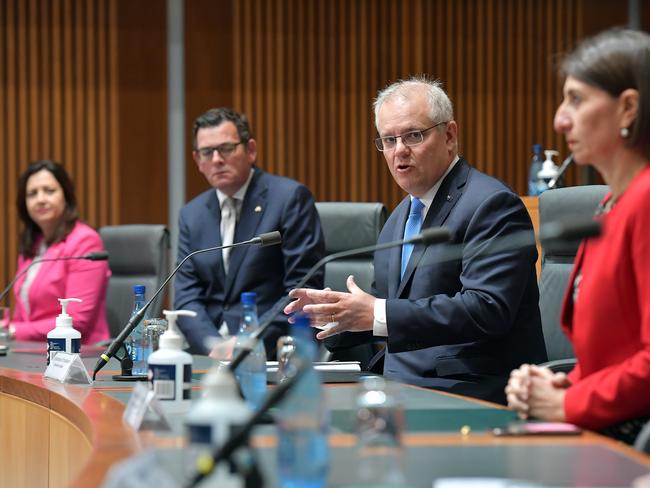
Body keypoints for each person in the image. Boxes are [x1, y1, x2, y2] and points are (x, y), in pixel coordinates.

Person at [285, 77, 547, 403]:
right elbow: (394, 312)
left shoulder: (491, 204)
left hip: (468, 391)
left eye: (413, 135)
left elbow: (487, 309)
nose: (399, 151)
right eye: (388, 140)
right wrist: (339, 317)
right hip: (396, 387)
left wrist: (378, 312)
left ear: (449, 136)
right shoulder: (399, 218)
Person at [506, 28, 650, 444]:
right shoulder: (610, 205)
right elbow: (611, 358)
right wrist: (560, 387)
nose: (559, 119)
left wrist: (570, 404)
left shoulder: (644, 205)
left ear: (628, 108)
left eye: (577, 99)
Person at [173, 108, 325, 356]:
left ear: (250, 150)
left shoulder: (288, 199)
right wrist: (213, 346)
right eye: (206, 152)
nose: (216, 159)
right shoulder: (192, 214)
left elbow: (301, 289)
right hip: (208, 354)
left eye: (226, 148)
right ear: (197, 161)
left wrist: (247, 343)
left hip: (271, 350)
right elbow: (186, 296)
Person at [7, 160, 110, 344]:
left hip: (79, 355)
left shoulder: (85, 241)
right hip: (31, 351)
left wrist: (13, 330)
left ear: (66, 196)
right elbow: (21, 314)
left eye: (49, 191)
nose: (40, 199)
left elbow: (76, 321)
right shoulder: (32, 245)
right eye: (32, 193)